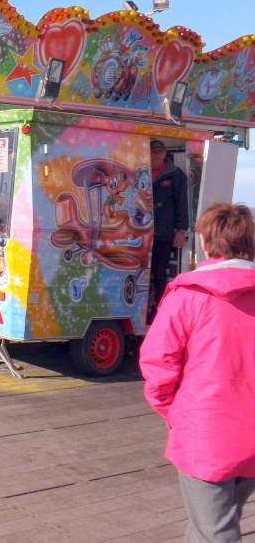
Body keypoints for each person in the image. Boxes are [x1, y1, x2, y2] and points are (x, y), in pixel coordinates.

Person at [139, 202, 255, 543]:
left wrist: (174, 412)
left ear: (205, 242)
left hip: (207, 434)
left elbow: (158, 364)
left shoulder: (188, 293)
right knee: (214, 521)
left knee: (214, 532)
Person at [149, 139, 189, 311]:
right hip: (139, 234)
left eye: (159, 151)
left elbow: (182, 205)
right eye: (153, 151)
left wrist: (181, 230)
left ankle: (158, 311)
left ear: (165, 153)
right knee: (141, 275)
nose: (156, 154)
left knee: (159, 274)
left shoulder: (177, 175)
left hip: (163, 234)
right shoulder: (139, 171)